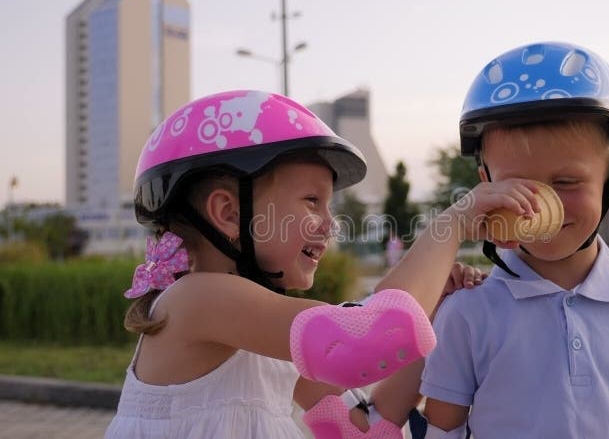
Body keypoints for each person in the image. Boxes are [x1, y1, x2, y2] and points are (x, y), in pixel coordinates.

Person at [104, 90, 537, 438]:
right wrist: (453, 222)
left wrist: (434, 313)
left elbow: (363, 429)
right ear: (229, 213)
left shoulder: (263, 338)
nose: (331, 226)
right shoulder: (198, 299)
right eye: (313, 202)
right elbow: (365, 340)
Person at [416, 42, 609, 439]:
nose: (541, 205)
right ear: (486, 185)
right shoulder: (466, 313)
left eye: (566, 182)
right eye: (516, 186)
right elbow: (442, 430)